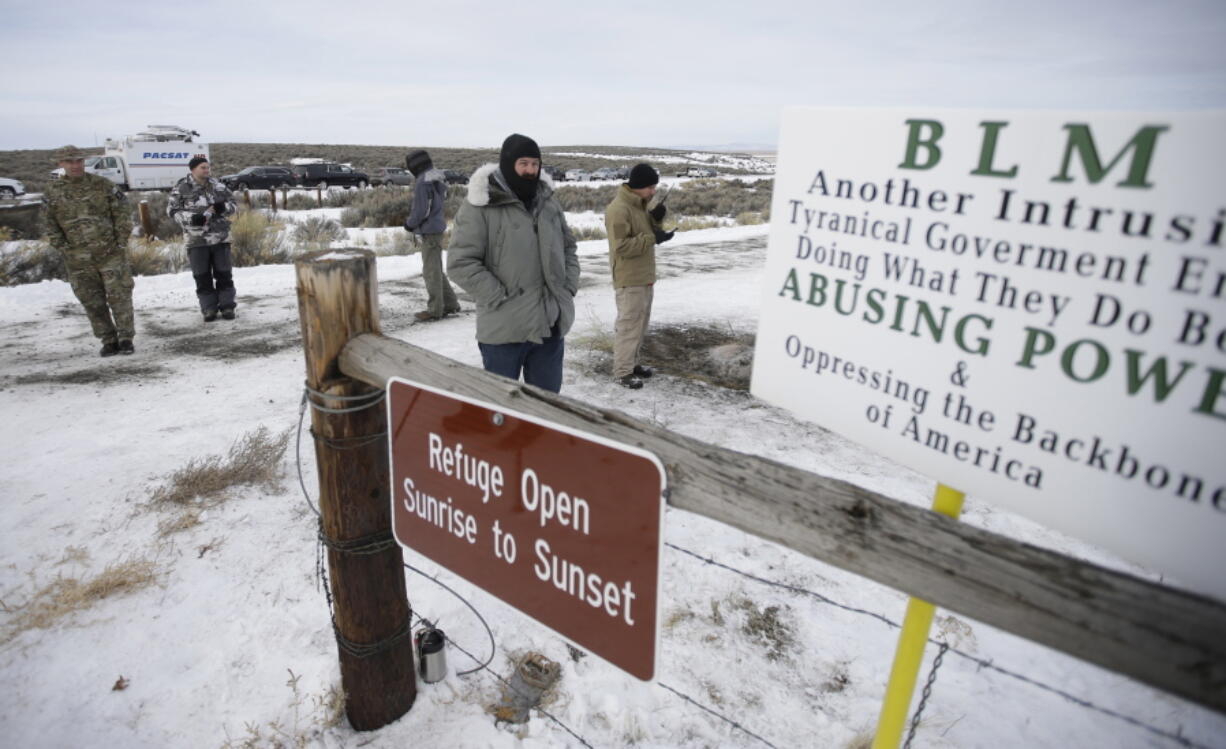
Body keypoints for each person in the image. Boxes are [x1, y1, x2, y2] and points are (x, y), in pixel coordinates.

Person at [447, 133, 579, 393]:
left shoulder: (548, 202)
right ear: (509, 164)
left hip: (549, 326)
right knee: (501, 412)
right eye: (523, 163)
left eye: (534, 164)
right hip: (503, 329)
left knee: (547, 408)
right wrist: (498, 295)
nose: (530, 170)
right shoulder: (481, 205)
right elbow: (460, 262)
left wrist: (568, 287)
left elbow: (568, 247)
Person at [42, 145, 136, 357]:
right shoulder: (53, 191)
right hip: (77, 258)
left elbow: (122, 212)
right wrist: (63, 247)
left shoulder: (102, 185)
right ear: (61, 164)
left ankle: (125, 337)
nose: (75, 165)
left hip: (110, 253)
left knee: (119, 296)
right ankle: (108, 339)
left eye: (78, 161)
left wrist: (120, 241)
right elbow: (49, 223)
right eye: (69, 161)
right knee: (92, 301)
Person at [604, 163, 674, 389]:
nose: (653, 192)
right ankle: (622, 372)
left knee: (640, 325)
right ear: (638, 186)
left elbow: (642, 231)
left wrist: (655, 220)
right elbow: (622, 246)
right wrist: (653, 238)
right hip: (629, 279)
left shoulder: (639, 205)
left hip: (644, 276)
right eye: (650, 187)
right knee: (628, 326)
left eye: (654, 187)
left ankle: (632, 365)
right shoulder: (619, 209)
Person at [168, 157, 237, 322]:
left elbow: (234, 205)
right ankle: (209, 309)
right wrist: (192, 218)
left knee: (224, 274)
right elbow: (172, 211)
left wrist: (224, 208)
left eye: (208, 167)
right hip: (196, 240)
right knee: (202, 276)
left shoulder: (219, 186)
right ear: (193, 169)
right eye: (202, 168)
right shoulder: (181, 188)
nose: (206, 170)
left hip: (220, 238)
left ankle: (227, 306)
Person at [403, 149, 460, 321]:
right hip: (437, 227)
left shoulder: (422, 181)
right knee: (435, 269)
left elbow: (422, 210)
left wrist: (410, 224)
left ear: (415, 165)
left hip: (428, 230)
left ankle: (435, 310)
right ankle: (450, 304)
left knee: (430, 271)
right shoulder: (437, 176)